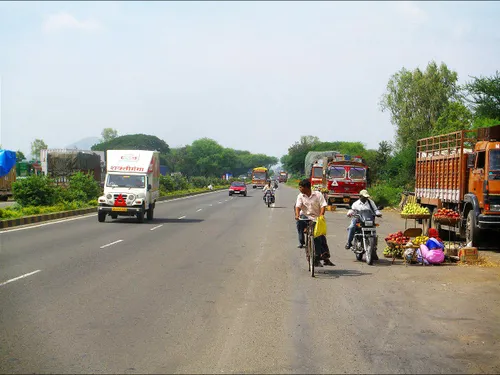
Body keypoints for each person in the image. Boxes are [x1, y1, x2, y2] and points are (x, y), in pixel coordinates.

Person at [295, 179, 335, 267]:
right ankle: (302, 241)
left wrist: (321, 216)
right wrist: (297, 215)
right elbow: (298, 206)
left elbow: (323, 206)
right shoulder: (300, 196)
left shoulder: (318, 194)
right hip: (305, 217)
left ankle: (323, 255)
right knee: (299, 223)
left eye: (300, 187)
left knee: (319, 235)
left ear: (306, 187)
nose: (299, 189)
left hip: (316, 217)